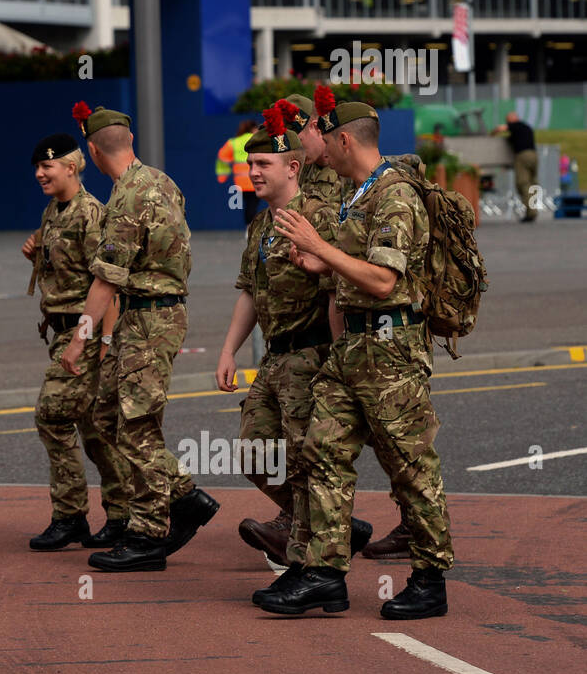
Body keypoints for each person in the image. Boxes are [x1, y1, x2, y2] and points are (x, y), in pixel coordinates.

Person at [262, 101, 453, 619]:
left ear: (346, 140)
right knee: (320, 450)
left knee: (410, 466)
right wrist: (316, 259)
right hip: (352, 349)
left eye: (325, 138)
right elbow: (352, 272)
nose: (317, 147)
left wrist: (318, 245)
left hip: (391, 354)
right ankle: (325, 574)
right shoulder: (357, 193)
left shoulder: (395, 196)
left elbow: (384, 281)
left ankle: (430, 578)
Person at [216, 105, 372, 577]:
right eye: (250, 165)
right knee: (253, 451)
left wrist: (339, 360)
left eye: (263, 164)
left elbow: (338, 296)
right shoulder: (260, 226)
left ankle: (309, 558)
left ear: (293, 167)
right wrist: (228, 351)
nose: (253, 173)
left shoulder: (321, 218)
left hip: (312, 354)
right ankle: (332, 525)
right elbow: (249, 290)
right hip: (274, 357)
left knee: (308, 458)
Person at [62, 105, 218, 572]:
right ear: (130, 142)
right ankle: (185, 497)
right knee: (109, 415)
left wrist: (79, 340)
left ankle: (150, 533)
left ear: (91, 150)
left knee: (136, 425)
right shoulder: (162, 182)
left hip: (150, 319)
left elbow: (107, 279)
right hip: (145, 318)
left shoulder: (128, 198)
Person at [20, 131, 129, 551]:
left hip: (82, 333)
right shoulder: (55, 211)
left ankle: (69, 516)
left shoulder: (90, 214)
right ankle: (120, 514)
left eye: (47, 166)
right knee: (95, 429)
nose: (39, 173)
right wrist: (35, 250)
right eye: (38, 167)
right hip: (62, 331)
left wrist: (96, 341)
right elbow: (64, 266)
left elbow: (108, 284)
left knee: (51, 415)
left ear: (72, 166)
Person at [493, 111, 539, 222]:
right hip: (534, 155)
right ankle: (534, 208)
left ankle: (531, 212)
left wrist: (492, 134)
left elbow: (501, 128)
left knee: (523, 183)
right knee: (533, 183)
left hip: (522, 156)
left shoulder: (515, 126)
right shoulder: (526, 127)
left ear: (510, 120)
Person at [218, 120, 259, 226]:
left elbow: (222, 157)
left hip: (240, 182)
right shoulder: (257, 140)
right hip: (255, 180)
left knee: (247, 206)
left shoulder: (233, 142)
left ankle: (248, 228)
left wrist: (223, 175)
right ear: (253, 129)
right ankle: (250, 229)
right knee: (252, 206)